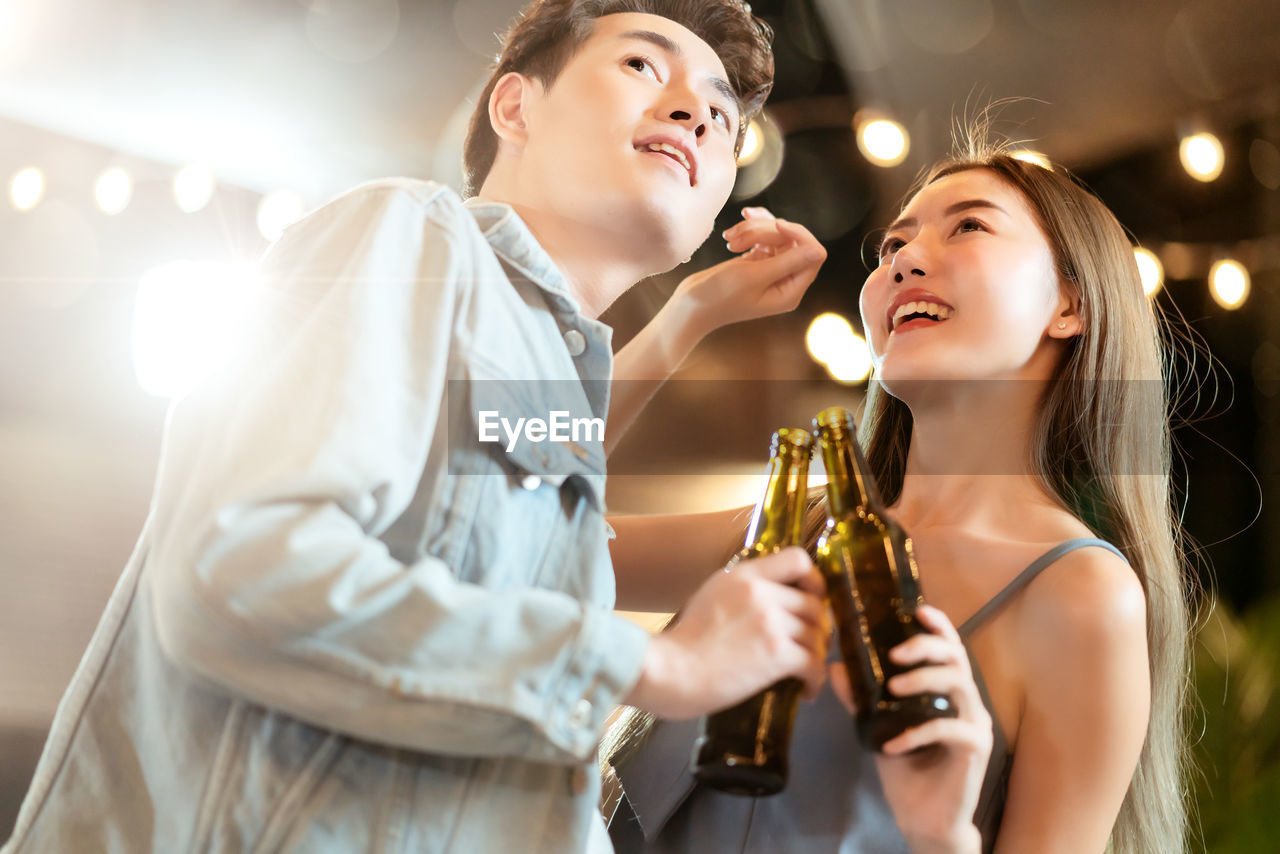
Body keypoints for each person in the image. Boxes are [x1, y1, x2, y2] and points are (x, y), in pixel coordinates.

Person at [0, 2, 833, 852]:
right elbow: (246, 572)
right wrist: (653, 667)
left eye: (723, 115)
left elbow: (515, 460)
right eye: (643, 67)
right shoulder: (409, 234)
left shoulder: (519, 355)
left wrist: (686, 321)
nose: (697, 112)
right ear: (515, 108)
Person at [604, 143, 1190, 854]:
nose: (905, 260)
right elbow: (498, 520)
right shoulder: (796, 527)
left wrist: (943, 837)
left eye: (969, 227)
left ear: (1070, 304)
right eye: (892, 244)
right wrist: (686, 316)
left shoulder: (1082, 594)